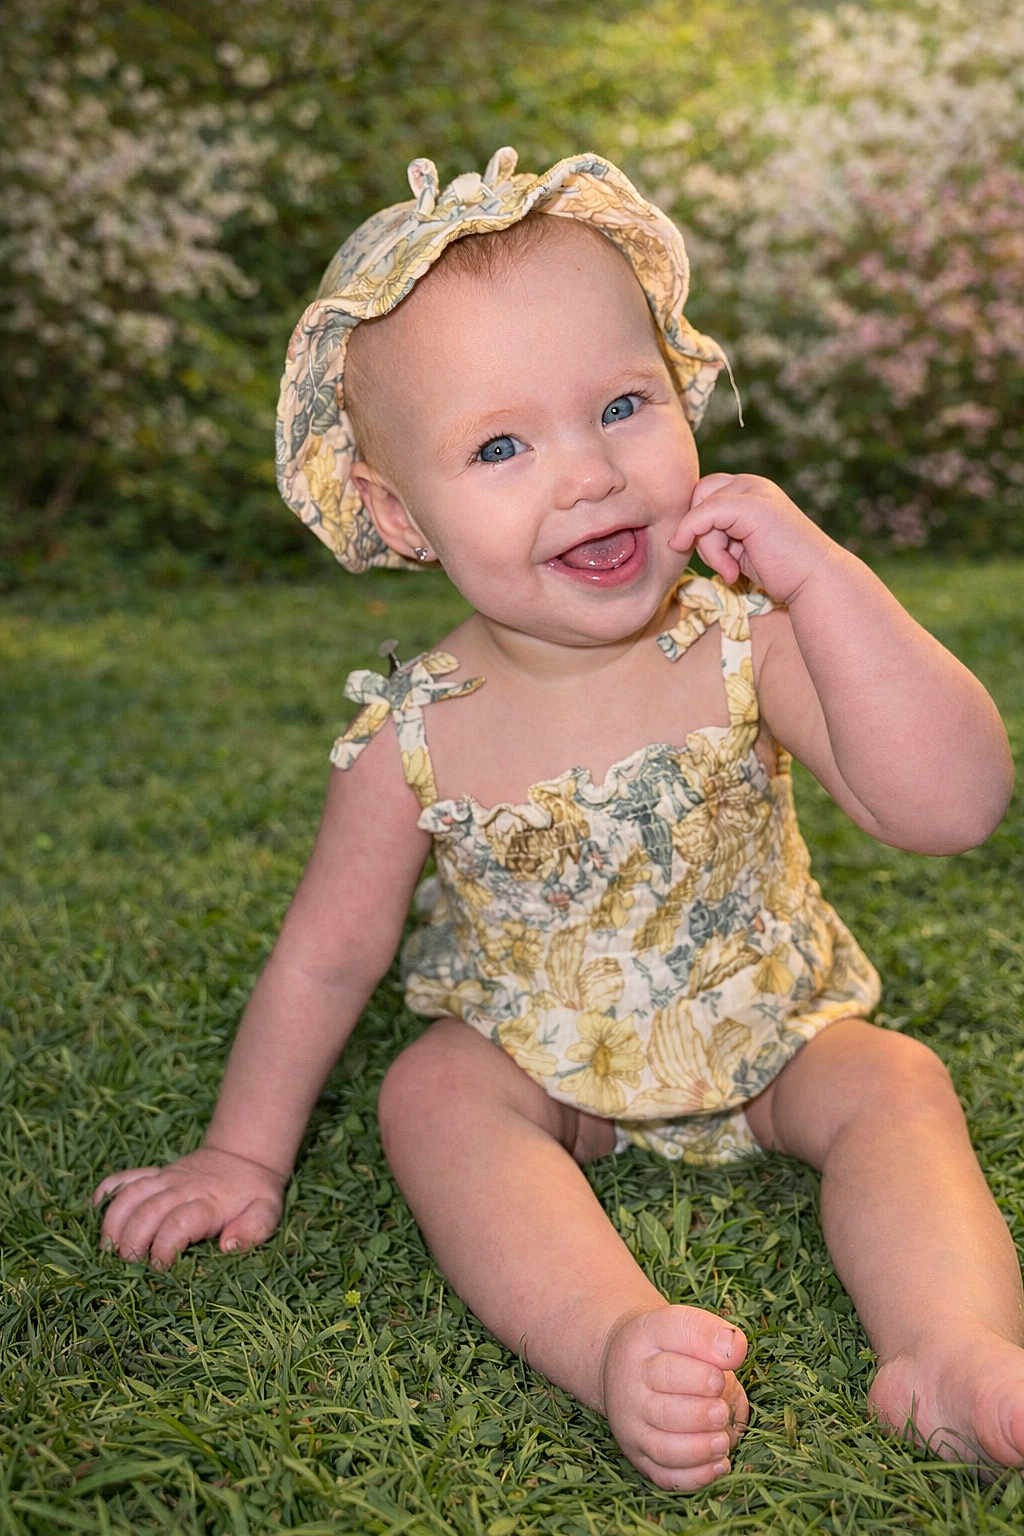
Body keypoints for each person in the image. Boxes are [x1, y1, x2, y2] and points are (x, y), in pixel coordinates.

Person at [94, 148, 1023, 1492]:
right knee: (432, 1095)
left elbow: (952, 806)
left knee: (897, 1082)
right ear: (400, 513)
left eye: (621, 406)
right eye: (501, 446)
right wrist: (241, 1153)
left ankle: (950, 1347)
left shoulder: (746, 640)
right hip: (541, 1052)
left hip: (773, 1023)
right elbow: (327, 958)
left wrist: (828, 584)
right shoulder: (414, 735)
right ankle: (613, 1340)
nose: (587, 473)